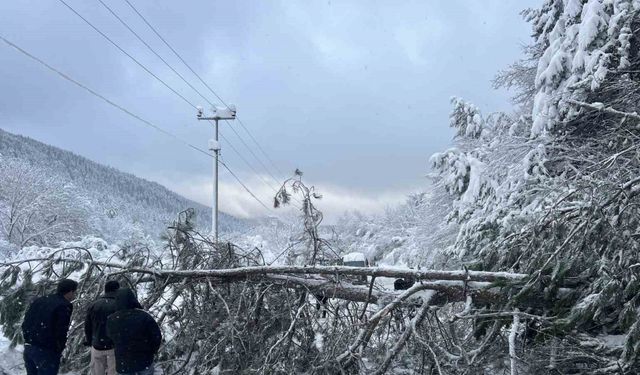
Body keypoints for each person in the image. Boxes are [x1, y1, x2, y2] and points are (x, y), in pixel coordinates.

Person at [22, 278, 78, 375]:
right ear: (70, 291)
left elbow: (26, 321)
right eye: (74, 292)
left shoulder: (40, 300)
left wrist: (28, 339)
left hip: (29, 346)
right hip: (46, 350)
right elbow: (61, 330)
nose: (74, 296)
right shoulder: (64, 305)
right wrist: (59, 348)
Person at [106, 288, 161, 375]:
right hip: (144, 361)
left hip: (123, 364)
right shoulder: (144, 316)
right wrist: (151, 351)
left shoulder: (111, 319)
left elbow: (110, 338)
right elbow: (156, 337)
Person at [85, 280, 120, 375]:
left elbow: (88, 326)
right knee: (113, 372)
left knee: (97, 372)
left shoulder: (93, 305)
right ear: (117, 290)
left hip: (97, 345)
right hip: (113, 346)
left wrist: (89, 341)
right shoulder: (119, 305)